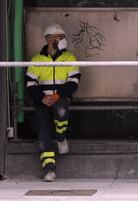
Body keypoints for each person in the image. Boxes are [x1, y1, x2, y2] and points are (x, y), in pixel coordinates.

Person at [25, 23, 81, 182]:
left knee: (61, 110)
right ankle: (49, 169)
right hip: (42, 101)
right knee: (43, 134)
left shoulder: (69, 58)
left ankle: (61, 137)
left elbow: (74, 82)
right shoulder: (37, 60)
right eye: (57, 37)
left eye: (62, 37)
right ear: (48, 39)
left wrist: (58, 95)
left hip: (61, 98)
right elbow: (30, 84)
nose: (61, 40)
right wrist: (42, 97)